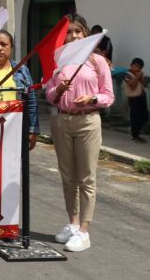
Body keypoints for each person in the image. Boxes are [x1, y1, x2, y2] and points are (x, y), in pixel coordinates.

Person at [45, 14, 114, 253]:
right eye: (69, 32)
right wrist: (58, 90)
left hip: (88, 121)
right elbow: (49, 93)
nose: (73, 36)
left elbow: (108, 95)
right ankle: (72, 224)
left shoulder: (96, 61)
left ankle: (84, 231)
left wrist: (92, 98)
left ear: (86, 34)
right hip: (62, 121)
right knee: (68, 177)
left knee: (86, 178)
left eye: (78, 31)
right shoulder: (59, 60)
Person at [125, 57, 148, 142]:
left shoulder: (139, 74)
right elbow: (132, 86)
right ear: (131, 65)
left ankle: (137, 132)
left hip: (142, 97)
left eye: (139, 67)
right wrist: (137, 77)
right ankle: (135, 135)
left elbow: (145, 85)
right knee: (135, 116)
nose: (137, 69)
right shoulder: (127, 75)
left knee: (145, 116)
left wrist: (142, 78)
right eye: (135, 66)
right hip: (134, 98)